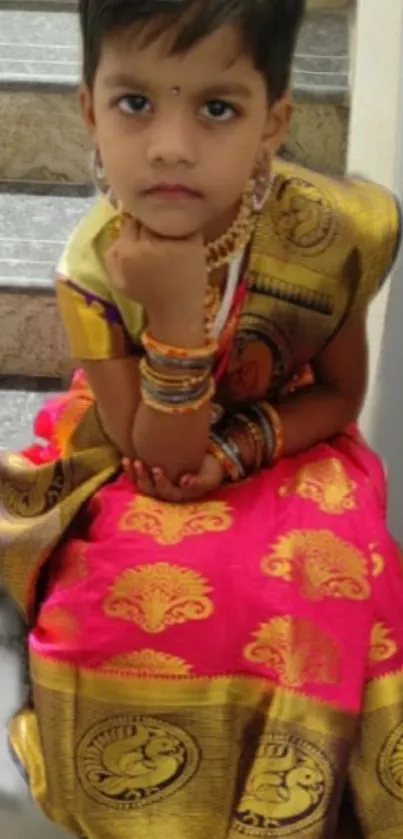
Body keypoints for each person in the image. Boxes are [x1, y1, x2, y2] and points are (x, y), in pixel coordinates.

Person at [1, 0, 403, 836]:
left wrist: (243, 442)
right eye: (136, 102)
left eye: (216, 107)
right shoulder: (92, 268)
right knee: (127, 594)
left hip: (293, 430)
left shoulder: (332, 234)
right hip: (137, 436)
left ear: (273, 121)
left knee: (317, 583)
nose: (172, 145)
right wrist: (178, 323)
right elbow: (163, 463)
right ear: (88, 109)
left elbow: (335, 396)